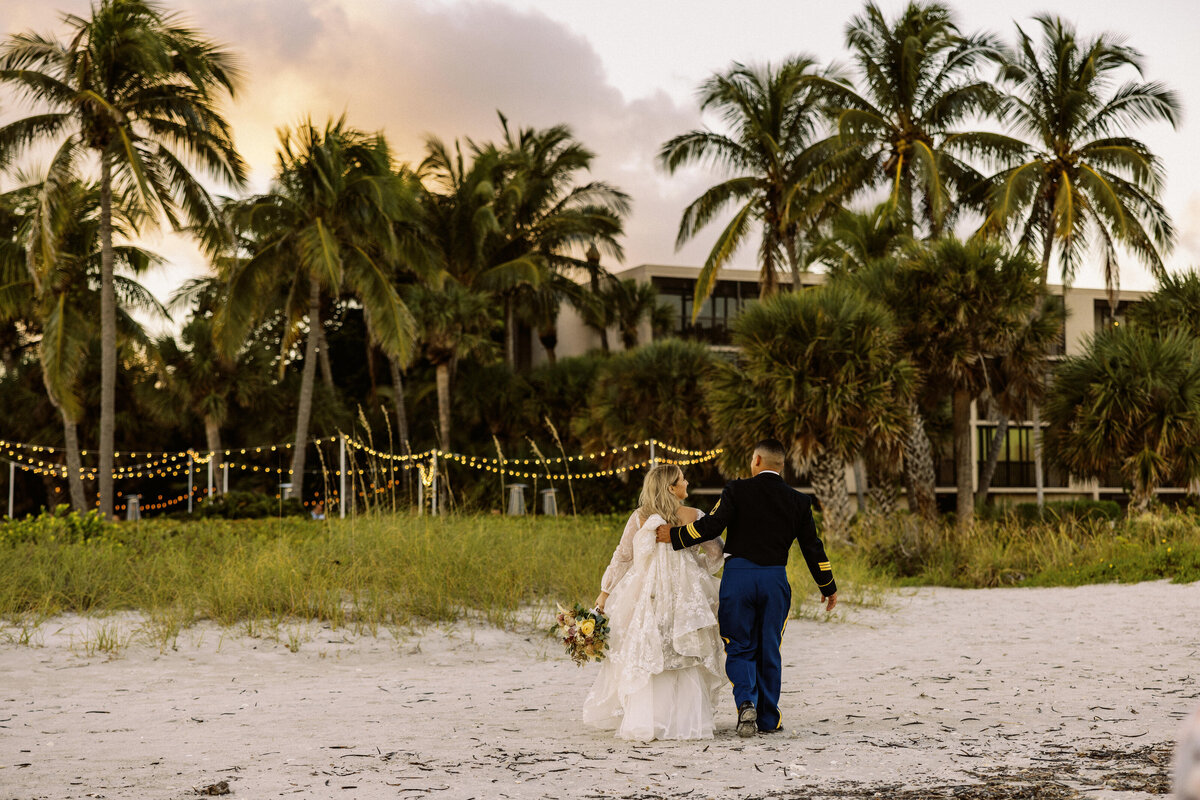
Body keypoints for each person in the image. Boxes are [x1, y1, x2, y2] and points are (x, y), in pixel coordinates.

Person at [656, 438, 837, 737]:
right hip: (774, 580)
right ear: (781, 465)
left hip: (738, 578)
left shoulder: (736, 490)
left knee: (738, 645)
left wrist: (675, 537)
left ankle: (745, 704)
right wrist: (827, 585)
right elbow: (812, 547)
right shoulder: (799, 501)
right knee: (770, 648)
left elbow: (711, 526)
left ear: (756, 460)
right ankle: (768, 719)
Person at [582, 464, 726, 741]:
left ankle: (649, 722)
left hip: (646, 594)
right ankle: (686, 723)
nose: (687, 482)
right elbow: (717, 552)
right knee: (685, 652)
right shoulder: (695, 516)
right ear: (672, 488)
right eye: (682, 479)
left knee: (651, 650)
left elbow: (623, 556)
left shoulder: (639, 518)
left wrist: (605, 593)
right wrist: (696, 567)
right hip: (684, 597)